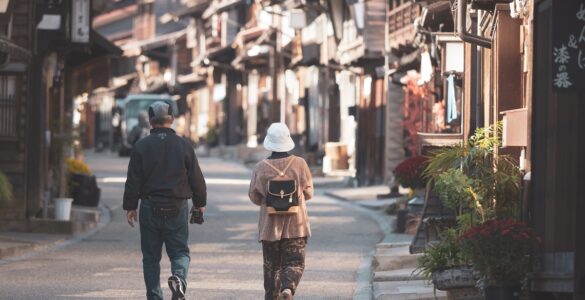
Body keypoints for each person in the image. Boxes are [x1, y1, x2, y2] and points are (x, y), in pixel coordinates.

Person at [123, 101, 206, 300]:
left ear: (151, 121)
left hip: (150, 206)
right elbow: (196, 177)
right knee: (179, 252)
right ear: (172, 120)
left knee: (151, 258)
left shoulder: (141, 146)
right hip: (177, 206)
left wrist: (131, 207)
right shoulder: (184, 145)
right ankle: (179, 277)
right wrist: (199, 203)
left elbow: (133, 180)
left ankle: (154, 296)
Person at [248, 123, 313, 300]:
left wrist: (269, 201)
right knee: (294, 261)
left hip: (270, 227)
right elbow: (309, 192)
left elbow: (253, 196)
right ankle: (288, 289)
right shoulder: (300, 164)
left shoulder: (261, 167)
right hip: (296, 225)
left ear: (269, 142)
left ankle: (272, 295)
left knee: (271, 266)